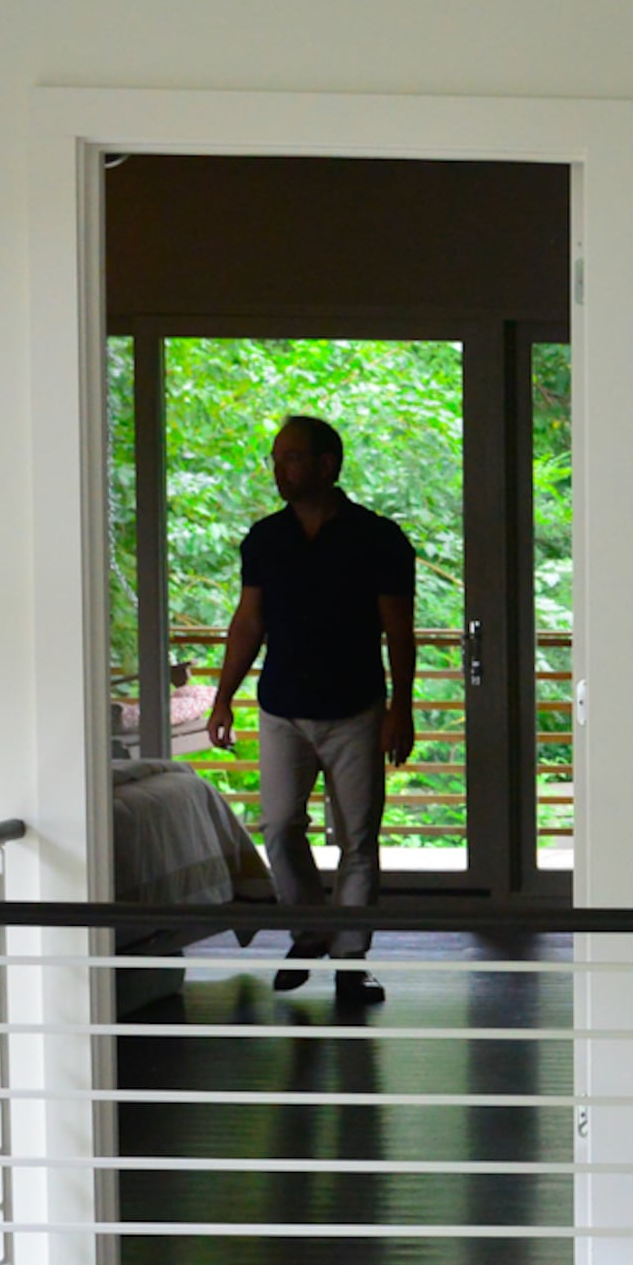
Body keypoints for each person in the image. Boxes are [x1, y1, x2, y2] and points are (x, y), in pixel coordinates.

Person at [205, 415, 418, 1002]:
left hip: (356, 709)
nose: (280, 470)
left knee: (358, 837)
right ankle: (308, 931)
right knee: (278, 825)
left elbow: (399, 631)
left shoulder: (379, 538)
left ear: (328, 464)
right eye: (276, 459)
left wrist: (402, 708)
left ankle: (350, 959)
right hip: (282, 708)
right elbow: (248, 622)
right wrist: (223, 698)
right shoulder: (265, 538)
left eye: (292, 458)